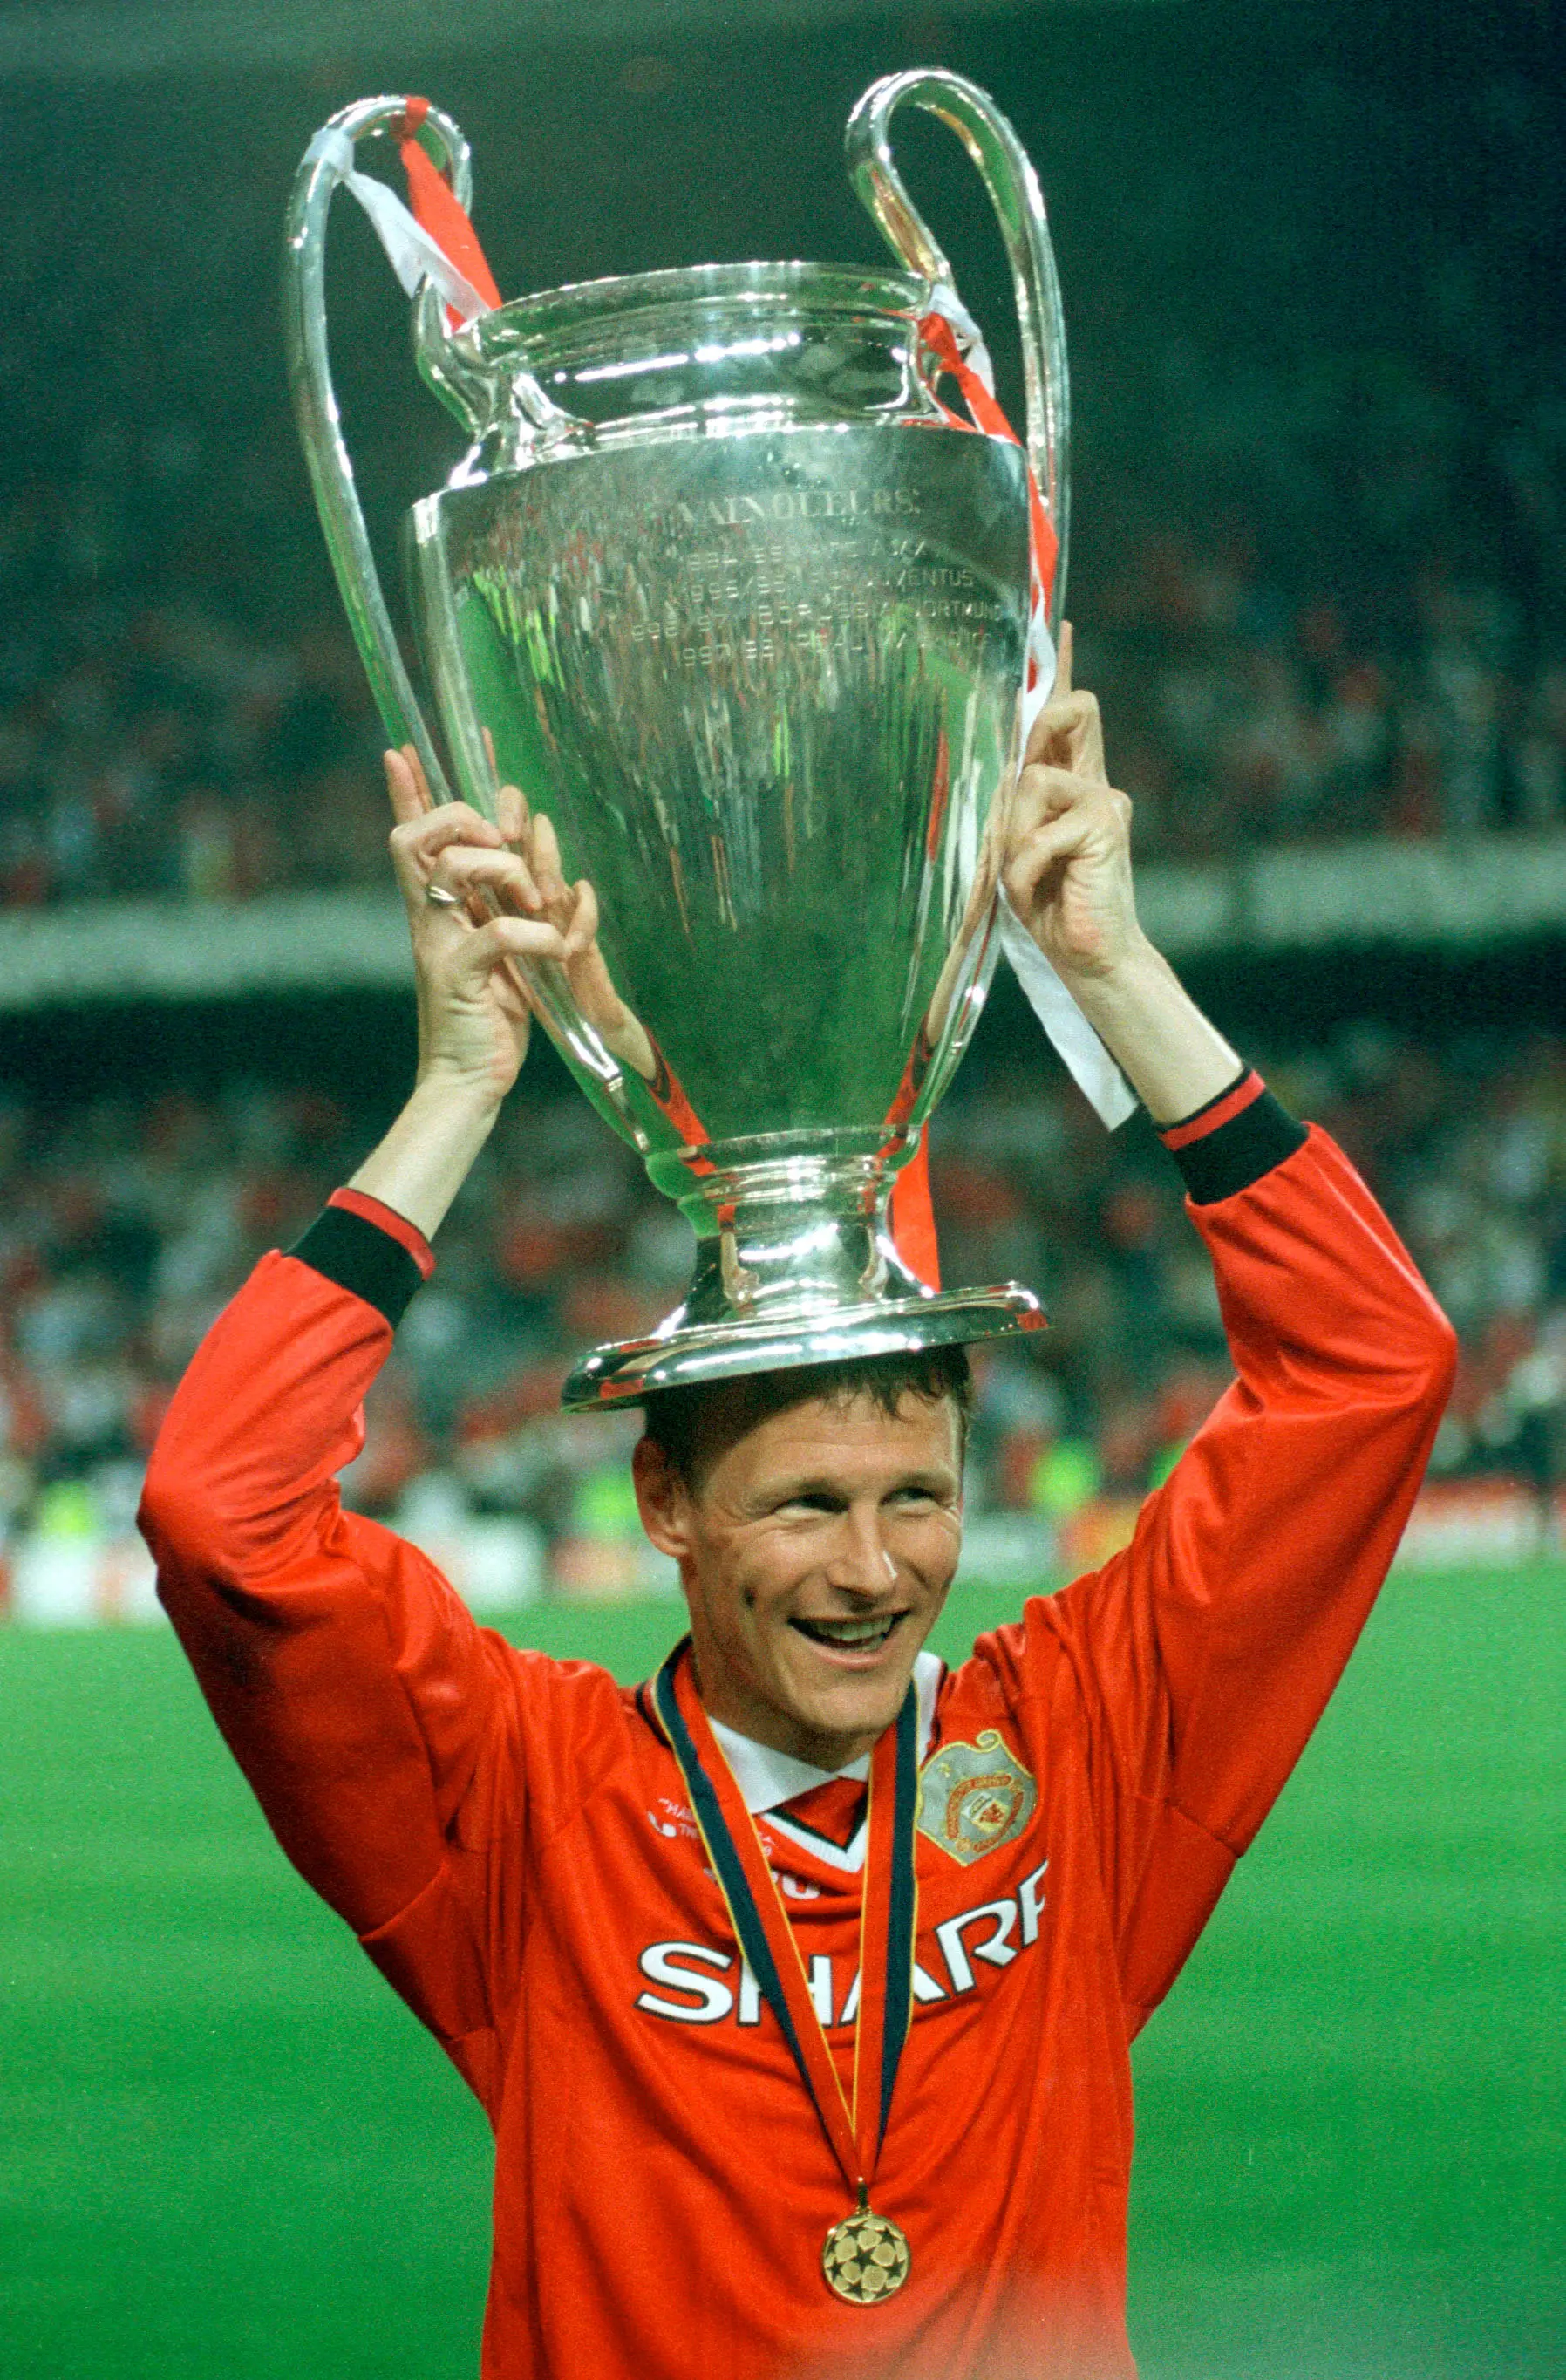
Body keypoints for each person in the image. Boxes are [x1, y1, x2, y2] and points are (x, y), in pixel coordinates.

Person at [139, 638, 1455, 2380]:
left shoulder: (1077, 1748)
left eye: (918, 1493)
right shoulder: (526, 1808)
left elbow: (1371, 1365)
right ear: (664, 1497)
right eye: (805, 1502)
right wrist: (457, 1088)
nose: (873, 1564)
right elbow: (221, 1510)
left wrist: (1114, 968)